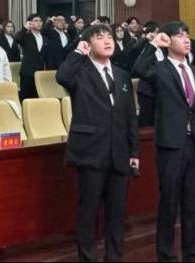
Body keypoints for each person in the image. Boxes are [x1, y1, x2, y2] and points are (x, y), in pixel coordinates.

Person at [56, 24, 139, 263]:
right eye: (100, 38)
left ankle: (114, 257)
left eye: (109, 37)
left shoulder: (122, 74)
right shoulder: (79, 71)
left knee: (117, 213)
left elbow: (129, 117)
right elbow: (61, 76)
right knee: (88, 211)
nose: (107, 41)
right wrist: (77, 52)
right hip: (91, 152)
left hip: (119, 153)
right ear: (88, 44)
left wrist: (134, 151)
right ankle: (87, 258)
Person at [134, 22, 195, 263]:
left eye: (187, 35)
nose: (186, 39)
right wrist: (153, 44)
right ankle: (166, 254)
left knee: (194, 203)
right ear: (168, 41)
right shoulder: (160, 69)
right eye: (179, 36)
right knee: (169, 201)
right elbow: (139, 68)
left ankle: (192, 254)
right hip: (171, 143)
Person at [16, 13, 47, 100]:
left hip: (40, 74)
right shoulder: (26, 36)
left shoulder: (45, 38)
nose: (39, 23)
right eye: (36, 21)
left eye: (40, 21)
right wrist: (25, 28)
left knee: (38, 99)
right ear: (30, 23)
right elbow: (17, 39)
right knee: (26, 99)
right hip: (27, 73)